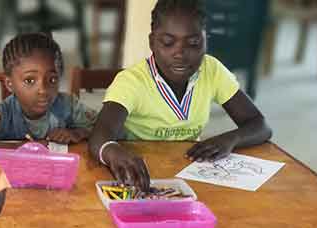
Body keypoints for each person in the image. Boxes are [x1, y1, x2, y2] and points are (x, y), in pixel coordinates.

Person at [88, 0, 272, 191]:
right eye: (168, 43)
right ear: (152, 42)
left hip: (189, 174)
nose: (180, 53)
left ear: (205, 40)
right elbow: (99, 137)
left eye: (193, 43)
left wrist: (230, 139)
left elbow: (260, 125)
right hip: (139, 173)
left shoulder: (212, 70)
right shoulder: (131, 81)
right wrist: (114, 152)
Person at [0, 33, 97, 147]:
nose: (43, 90)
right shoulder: (2, 115)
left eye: (52, 79)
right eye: (30, 81)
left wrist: (77, 133)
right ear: (10, 84)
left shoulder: (67, 105)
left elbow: (107, 126)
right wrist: (13, 147)